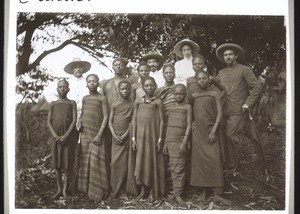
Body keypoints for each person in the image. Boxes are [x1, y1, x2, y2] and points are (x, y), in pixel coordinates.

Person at [215, 43, 263, 171]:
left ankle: (233, 166)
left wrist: (248, 103)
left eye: (230, 54)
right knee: (223, 136)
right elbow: (216, 89)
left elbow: (257, 87)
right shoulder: (220, 72)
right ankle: (226, 164)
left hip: (238, 109)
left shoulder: (244, 69)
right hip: (223, 110)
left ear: (236, 56)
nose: (228, 57)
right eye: (225, 55)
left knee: (231, 136)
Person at [190, 71, 231, 205]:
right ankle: (203, 193)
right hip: (198, 133)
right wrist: (192, 122)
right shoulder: (194, 96)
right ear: (196, 81)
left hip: (211, 131)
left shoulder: (215, 94)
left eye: (204, 78)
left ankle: (218, 194)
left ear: (208, 79)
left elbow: (219, 115)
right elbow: (188, 110)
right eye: (199, 79)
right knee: (200, 161)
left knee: (215, 159)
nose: (202, 80)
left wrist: (213, 131)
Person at [131, 77, 165, 202]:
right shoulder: (138, 102)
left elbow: (162, 121)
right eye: (146, 86)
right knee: (141, 163)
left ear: (155, 86)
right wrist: (133, 139)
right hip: (140, 138)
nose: (149, 88)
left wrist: (160, 139)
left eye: (151, 85)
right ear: (143, 87)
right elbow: (134, 120)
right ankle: (142, 191)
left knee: (151, 162)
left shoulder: (158, 102)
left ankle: (152, 191)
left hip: (153, 137)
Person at [77, 74, 109, 202]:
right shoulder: (84, 98)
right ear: (86, 84)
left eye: (94, 81)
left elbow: (106, 117)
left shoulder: (102, 98)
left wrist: (100, 134)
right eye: (89, 81)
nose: (92, 83)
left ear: (98, 84)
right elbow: (83, 114)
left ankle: (99, 192)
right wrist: (79, 122)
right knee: (86, 161)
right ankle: (86, 191)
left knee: (97, 160)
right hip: (85, 133)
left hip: (97, 133)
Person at [47, 79, 77, 200]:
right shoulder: (53, 103)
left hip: (67, 137)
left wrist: (66, 135)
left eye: (65, 87)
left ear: (68, 89)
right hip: (55, 137)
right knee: (57, 164)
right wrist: (55, 135)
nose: (62, 89)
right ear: (57, 89)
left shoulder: (72, 103)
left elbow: (74, 120)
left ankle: (65, 189)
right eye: (60, 87)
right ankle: (58, 189)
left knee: (67, 164)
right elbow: (48, 121)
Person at [162, 84, 192, 205]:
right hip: (170, 140)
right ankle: (175, 192)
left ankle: (179, 194)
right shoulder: (172, 107)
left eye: (181, 94)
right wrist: (165, 141)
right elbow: (168, 125)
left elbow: (189, 124)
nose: (178, 96)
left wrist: (185, 141)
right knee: (173, 167)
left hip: (180, 140)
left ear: (185, 95)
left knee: (180, 167)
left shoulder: (187, 107)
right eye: (176, 94)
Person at [44, 57, 90, 122]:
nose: (78, 69)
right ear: (72, 69)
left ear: (83, 69)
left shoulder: (88, 83)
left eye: (80, 67)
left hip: (85, 115)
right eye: (76, 67)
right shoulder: (67, 83)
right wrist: (61, 103)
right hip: (68, 115)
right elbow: (48, 93)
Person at [108, 80, 134, 198]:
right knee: (114, 163)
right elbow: (110, 122)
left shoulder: (132, 105)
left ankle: (124, 189)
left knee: (126, 164)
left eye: (127, 89)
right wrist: (114, 135)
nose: (125, 91)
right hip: (115, 137)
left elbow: (132, 122)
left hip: (126, 137)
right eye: (122, 89)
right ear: (118, 90)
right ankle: (115, 189)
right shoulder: (114, 104)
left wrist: (125, 135)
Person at [155, 64, 177, 196]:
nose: (169, 74)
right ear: (163, 75)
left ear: (174, 74)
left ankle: (177, 187)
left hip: (176, 124)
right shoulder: (159, 91)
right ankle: (167, 186)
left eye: (171, 72)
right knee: (165, 153)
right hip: (163, 124)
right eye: (166, 73)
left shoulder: (179, 89)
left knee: (176, 154)